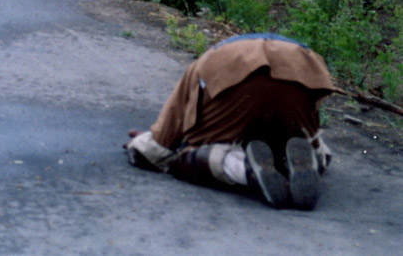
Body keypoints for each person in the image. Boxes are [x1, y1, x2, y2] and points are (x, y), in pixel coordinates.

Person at [124, 33, 336, 210]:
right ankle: (312, 159)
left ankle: (245, 169)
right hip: (302, 67)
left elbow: (158, 147)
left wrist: (142, 143)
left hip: (232, 70)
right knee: (306, 140)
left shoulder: (198, 67)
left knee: (185, 158)